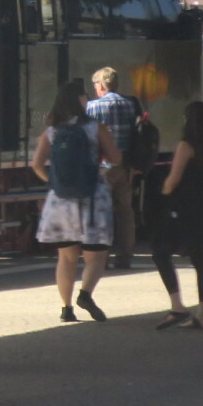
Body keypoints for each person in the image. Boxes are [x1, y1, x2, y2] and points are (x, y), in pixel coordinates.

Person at [31, 78, 121, 322]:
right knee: (96, 255)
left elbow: (37, 165)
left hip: (61, 201)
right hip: (92, 197)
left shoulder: (52, 131)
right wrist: (101, 169)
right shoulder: (96, 128)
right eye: (84, 96)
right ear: (79, 100)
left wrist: (54, 182)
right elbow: (116, 158)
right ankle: (85, 294)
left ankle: (66, 308)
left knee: (66, 257)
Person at [152, 100, 203, 331]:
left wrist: (163, 192)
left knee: (160, 252)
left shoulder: (185, 146)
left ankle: (178, 306)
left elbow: (174, 179)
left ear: (188, 121)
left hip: (183, 210)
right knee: (201, 261)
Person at [85, 67, 138, 268]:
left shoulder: (93, 107)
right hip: (125, 165)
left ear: (101, 84)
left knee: (102, 210)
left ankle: (102, 257)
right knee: (125, 211)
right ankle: (125, 257)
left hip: (103, 166)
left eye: (95, 85)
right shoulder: (130, 104)